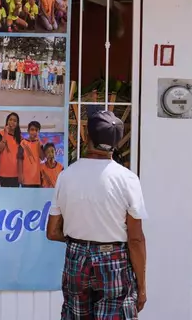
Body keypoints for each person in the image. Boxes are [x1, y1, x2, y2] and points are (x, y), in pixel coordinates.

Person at [47, 110, 148, 319]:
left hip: (77, 258)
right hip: (114, 261)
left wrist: (79, 242)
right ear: (116, 143)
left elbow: (52, 231)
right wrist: (142, 286)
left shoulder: (66, 176)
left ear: (88, 137)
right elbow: (135, 238)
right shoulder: (127, 179)